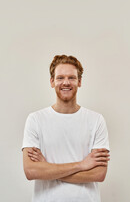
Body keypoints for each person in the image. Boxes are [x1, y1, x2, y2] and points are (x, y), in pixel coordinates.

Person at [22, 54, 110, 202]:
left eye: (71, 77)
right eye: (60, 78)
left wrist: (47, 168)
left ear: (79, 81)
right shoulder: (35, 119)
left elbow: (99, 174)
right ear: (52, 81)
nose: (66, 82)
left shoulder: (96, 120)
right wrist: (81, 165)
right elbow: (31, 171)